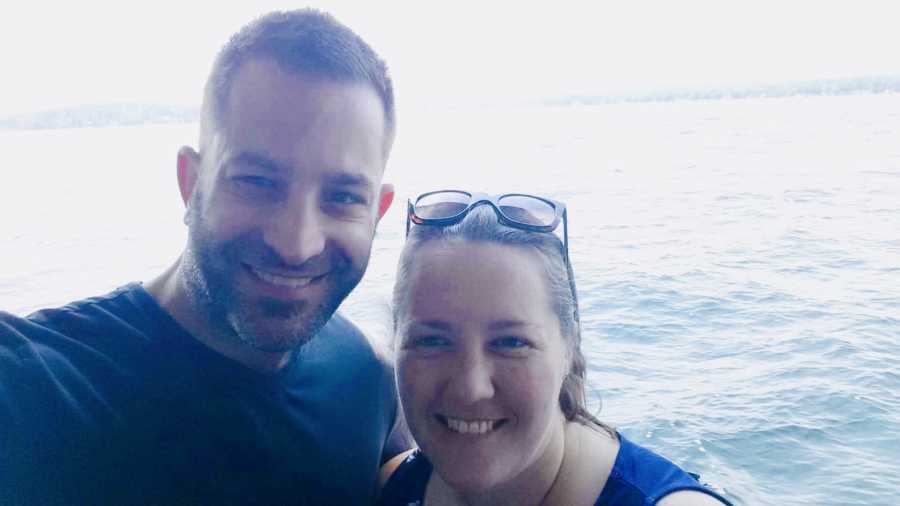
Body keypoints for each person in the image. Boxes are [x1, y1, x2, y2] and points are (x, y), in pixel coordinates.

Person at [0, 9, 406, 505]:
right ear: (191, 182)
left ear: (377, 211)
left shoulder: (364, 378)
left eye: (342, 197)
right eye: (257, 182)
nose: (296, 243)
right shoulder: (36, 389)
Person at [378, 191, 733, 505]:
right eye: (432, 341)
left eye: (511, 343)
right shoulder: (395, 484)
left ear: (570, 349)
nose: (471, 388)